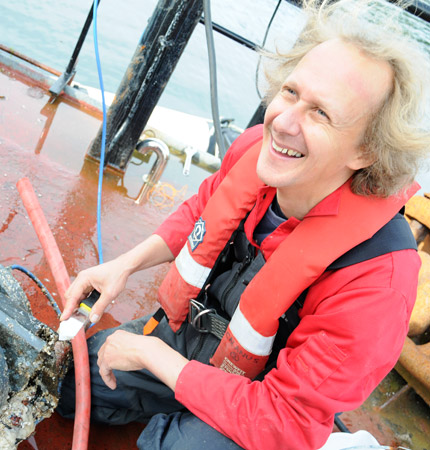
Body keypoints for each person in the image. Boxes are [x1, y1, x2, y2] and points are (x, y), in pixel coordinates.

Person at [57, 0, 430, 449]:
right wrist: (124, 265)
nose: (284, 123)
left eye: (321, 114)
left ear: (365, 152)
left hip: (262, 398)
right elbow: (203, 208)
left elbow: (285, 421)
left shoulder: (376, 280)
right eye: (291, 92)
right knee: (74, 381)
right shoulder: (257, 150)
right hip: (195, 339)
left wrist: (154, 358)